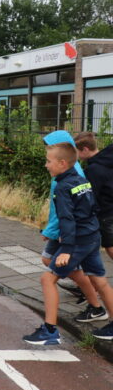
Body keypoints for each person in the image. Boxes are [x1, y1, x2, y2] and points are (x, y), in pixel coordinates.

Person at [23, 142, 113, 344]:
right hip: (92, 236)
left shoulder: (62, 187)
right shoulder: (81, 179)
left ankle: (49, 331)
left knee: (47, 280)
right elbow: (93, 208)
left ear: (62, 163)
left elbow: (67, 219)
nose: (46, 165)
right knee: (99, 280)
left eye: (49, 161)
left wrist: (67, 249)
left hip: (79, 242)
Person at [41, 131, 96, 307]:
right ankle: (91, 296)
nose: (47, 164)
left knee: (50, 262)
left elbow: (65, 212)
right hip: (77, 230)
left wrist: (51, 231)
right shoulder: (74, 170)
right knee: (53, 261)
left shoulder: (64, 179)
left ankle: (90, 296)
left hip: (69, 231)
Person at [75, 131, 113, 260]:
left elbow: (91, 196)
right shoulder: (107, 160)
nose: (77, 156)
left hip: (106, 213)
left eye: (77, 152)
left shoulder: (93, 170)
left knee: (110, 247)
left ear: (85, 149)